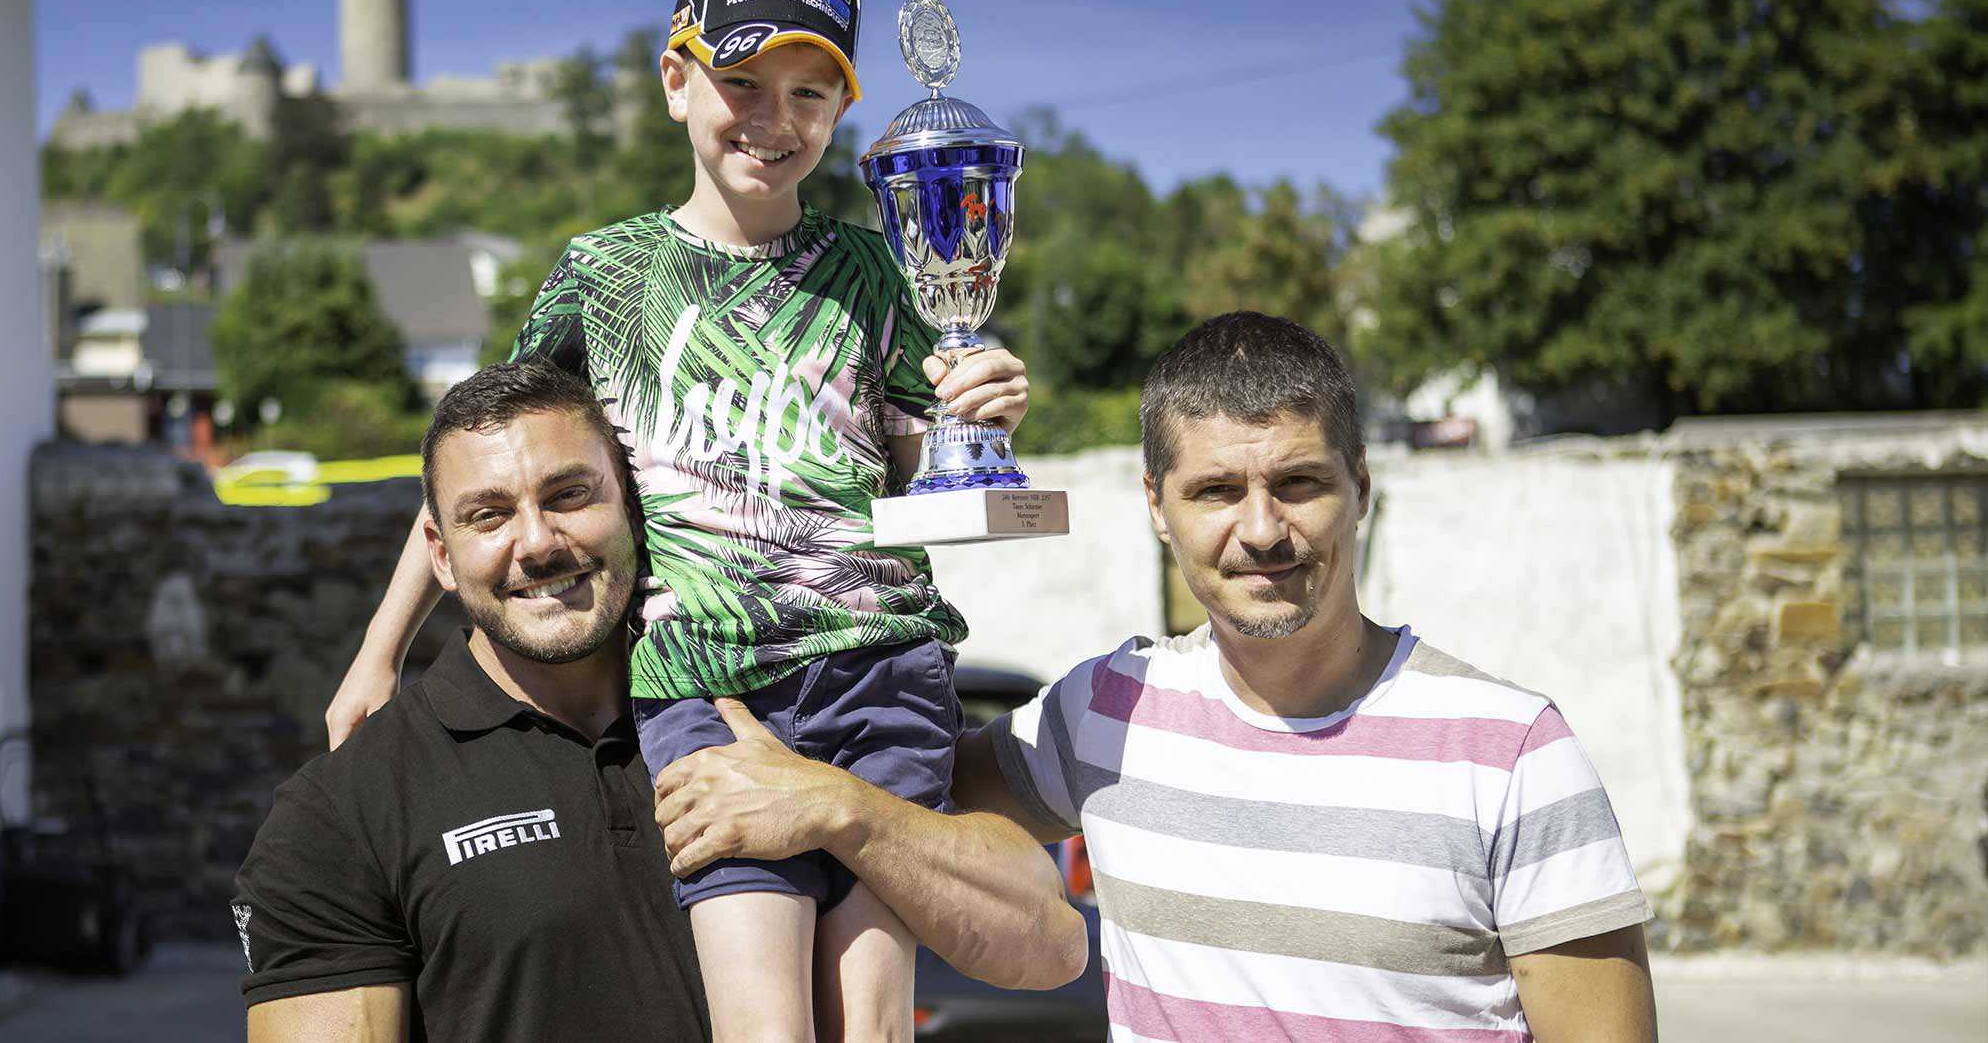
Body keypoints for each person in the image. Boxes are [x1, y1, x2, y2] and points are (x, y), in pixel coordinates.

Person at [320, 0, 1033, 1041]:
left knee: (874, 1025)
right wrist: (378, 654)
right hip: (707, 689)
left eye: (808, 91)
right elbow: (487, 477)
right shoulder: (604, 276)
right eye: (738, 80)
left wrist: (971, 417)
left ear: (842, 111)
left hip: (881, 676)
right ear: (673, 80)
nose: (772, 116)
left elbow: (913, 481)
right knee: (760, 1025)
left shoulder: (880, 272)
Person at [659, 312, 1661, 1042]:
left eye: (1298, 483)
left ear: (1361, 485)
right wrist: (825, 795)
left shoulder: (1511, 748)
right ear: (1154, 504)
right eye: (1216, 489)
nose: (1260, 529)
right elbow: (909, 805)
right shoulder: (1105, 710)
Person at [238, 361, 1084, 1042]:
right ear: (440, 552)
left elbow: (1052, 944)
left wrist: (839, 810)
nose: (536, 543)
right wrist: (375, 652)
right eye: (488, 515)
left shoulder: (801, 701)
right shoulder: (348, 808)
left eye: (570, 495)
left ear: (637, 503)